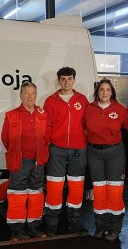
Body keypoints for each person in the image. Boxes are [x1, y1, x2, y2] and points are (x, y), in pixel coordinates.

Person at [43, 66, 89, 236]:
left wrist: (83, 141)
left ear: (74, 80)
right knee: (54, 186)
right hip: (57, 149)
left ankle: (74, 222)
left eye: (69, 78)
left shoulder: (82, 100)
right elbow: (46, 126)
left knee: (76, 187)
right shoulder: (50, 101)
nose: (66, 82)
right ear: (58, 80)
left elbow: (87, 124)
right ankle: (51, 225)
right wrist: (48, 144)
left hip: (78, 149)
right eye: (63, 79)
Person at [1, 81, 49, 242]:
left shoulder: (43, 113)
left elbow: (47, 136)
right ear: (20, 95)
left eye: (32, 93)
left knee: (36, 195)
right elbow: (5, 138)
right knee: (17, 195)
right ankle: (17, 230)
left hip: (38, 162)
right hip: (19, 162)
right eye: (26, 93)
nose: (29, 96)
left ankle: (34, 227)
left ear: (36, 95)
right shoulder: (11, 115)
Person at [84, 78, 128, 241]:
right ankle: (100, 227)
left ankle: (115, 228)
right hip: (94, 153)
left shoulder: (120, 109)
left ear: (112, 92)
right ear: (97, 92)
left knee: (115, 191)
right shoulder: (89, 109)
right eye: (101, 90)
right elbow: (83, 129)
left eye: (108, 90)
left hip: (114, 153)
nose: (104, 93)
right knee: (99, 191)